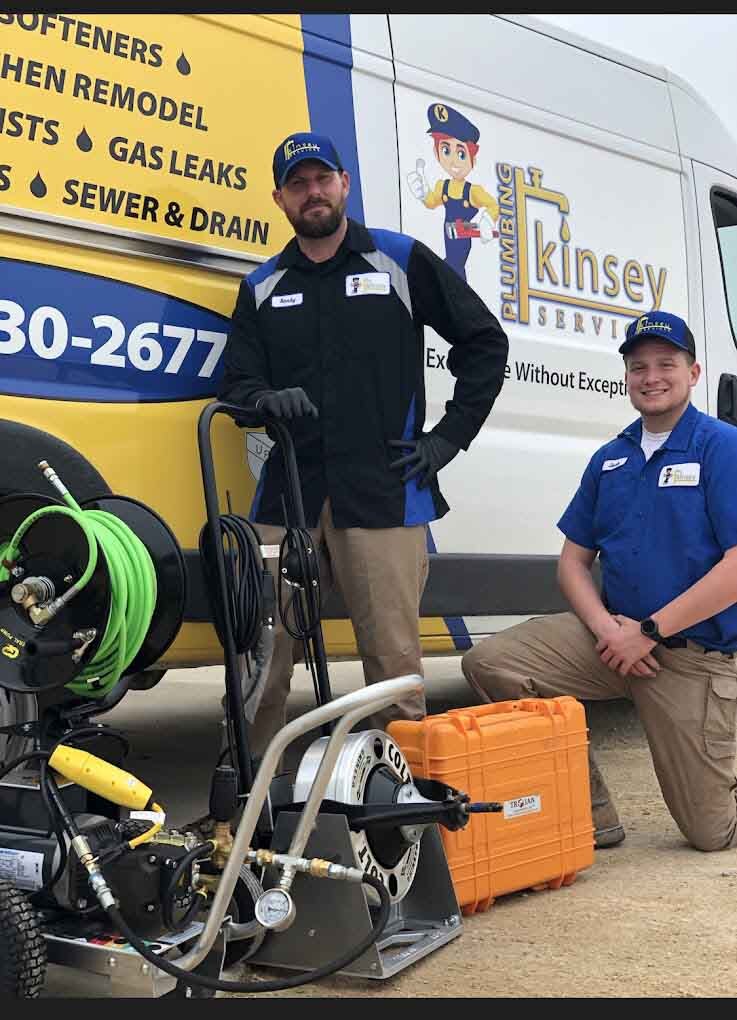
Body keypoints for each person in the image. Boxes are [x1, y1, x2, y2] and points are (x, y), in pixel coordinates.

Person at [218, 130, 509, 757]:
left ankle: (394, 811)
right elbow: (237, 383)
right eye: (298, 184)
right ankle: (242, 800)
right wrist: (263, 400)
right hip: (287, 498)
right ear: (280, 198)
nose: (313, 192)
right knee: (261, 655)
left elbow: (484, 343)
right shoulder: (263, 287)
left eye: (323, 179)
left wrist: (446, 440)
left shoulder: (400, 260)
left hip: (385, 493)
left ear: (344, 184)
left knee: (393, 666)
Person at [462, 310, 737, 853]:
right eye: (638, 367)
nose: (651, 377)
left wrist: (649, 632)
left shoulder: (722, 446)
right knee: (491, 663)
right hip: (612, 641)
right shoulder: (610, 457)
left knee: (711, 834)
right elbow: (571, 562)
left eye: (666, 364)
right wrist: (609, 631)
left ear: (695, 373)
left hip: (690, 654)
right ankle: (587, 811)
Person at [407, 103, 499, 282]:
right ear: (437, 152)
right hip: (449, 239)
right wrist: (422, 191)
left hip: (462, 241)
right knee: (449, 275)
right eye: (446, 150)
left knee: (451, 271)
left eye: (461, 154)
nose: (454, 161)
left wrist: (487, 221)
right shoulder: (444, 186)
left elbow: (493, 205)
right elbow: (431, 202)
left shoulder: (472, 191)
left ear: (473, 157)